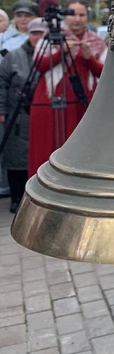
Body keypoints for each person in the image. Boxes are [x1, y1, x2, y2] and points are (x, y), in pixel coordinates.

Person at [28, 2, 106, 178]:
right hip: (49, 103)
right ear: (65, 17)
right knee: (46, 148)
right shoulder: (49, 39)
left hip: (83, 105)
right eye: (73, 14)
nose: (77, 19)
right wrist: (60, 52)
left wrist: (89, 59)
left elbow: (105, 72)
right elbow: (39, 64)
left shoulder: (96, 41)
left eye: (82, 15)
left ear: (87, 17)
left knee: (80, 151)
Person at [0, 19, 47, 212]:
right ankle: (16, 196)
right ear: (29, 34)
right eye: (34, 33)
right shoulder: (14, 56)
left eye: (41, 33)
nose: (38, 37)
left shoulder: (52, 57)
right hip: (17, 115)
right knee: (15, 156)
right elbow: (2, 83)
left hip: (42, 114)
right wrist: (2, 109)